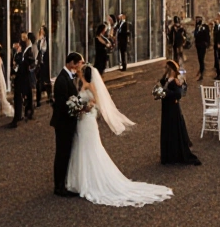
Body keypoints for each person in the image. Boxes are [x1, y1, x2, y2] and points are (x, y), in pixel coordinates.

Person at [66, 57, 172, 206]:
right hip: (81, 120)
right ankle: (79, 179)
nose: (79, 72)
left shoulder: (90, 86)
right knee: (80, 146)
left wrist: (86, 106)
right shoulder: (80, 84)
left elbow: (96, 102)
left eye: (81, 71)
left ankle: (90, 180)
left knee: (90, 147)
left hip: (88, 119)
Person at [52, 52, 84, 197]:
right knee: (62, 154)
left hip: (66, 122)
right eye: (79, 63)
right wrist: (76, 109)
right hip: (63, 124)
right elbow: (62, 105)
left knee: (65, 153)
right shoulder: (62, 80)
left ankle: (62, 182)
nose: (80, 66)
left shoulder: (67, 78)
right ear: (72, 63)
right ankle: (59, 186)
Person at [159, 60, 201, 165]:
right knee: (167, 129)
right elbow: (162, 83)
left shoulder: (175, 81)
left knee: (173, 129)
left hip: (172, 108)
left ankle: (174, 154)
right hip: (166, 108)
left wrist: (166, 93)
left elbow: (178, 94)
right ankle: (167, 154)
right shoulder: (167, 80)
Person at [10, 34, 36, 127]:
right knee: (23, 95)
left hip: (22, 77)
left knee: (21, 96)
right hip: (21, 76)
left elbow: (27, 63)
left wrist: (17, 66)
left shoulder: (27, 50)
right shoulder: (22, 51)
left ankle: (19, 117)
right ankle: (24, 113)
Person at [34, 26, 52, 106]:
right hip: (40, 62)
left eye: (42, 30)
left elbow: (45, 50)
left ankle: (49, 96)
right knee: (39, 80)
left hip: (45, 62)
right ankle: (38, 100)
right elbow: (38, 49)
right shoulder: (40, 39)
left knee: (46, 80)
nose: (41, 31)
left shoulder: (47, 39)